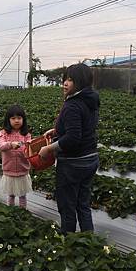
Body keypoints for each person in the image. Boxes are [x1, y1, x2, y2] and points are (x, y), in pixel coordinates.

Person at [39, 63, 100, 234]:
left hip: (74, 163)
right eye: (65, 79)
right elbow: (85, 126)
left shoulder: (73, 104)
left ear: (81, 82)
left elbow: (73, 138)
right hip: (90, 159)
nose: (65, 83)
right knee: (83, 204)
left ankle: (68, 242)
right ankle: (89, 241)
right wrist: (58, 130)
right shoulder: (91, 99)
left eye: (71, 80)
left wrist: (49, 148)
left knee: (67, 206)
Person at [0, 105, 33, 209]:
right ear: (8, 120)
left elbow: (30, 148)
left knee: (22, 194)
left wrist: (31, 145)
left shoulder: (26, 134)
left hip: (23, 168)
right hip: (9, 169)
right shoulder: (4, 133)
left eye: (19, 118)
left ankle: (23, 211)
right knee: (11, 193)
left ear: (23, 120)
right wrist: (10, 144)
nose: (16, 121)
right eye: (13, 118)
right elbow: (0, 145)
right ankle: (10, 210)